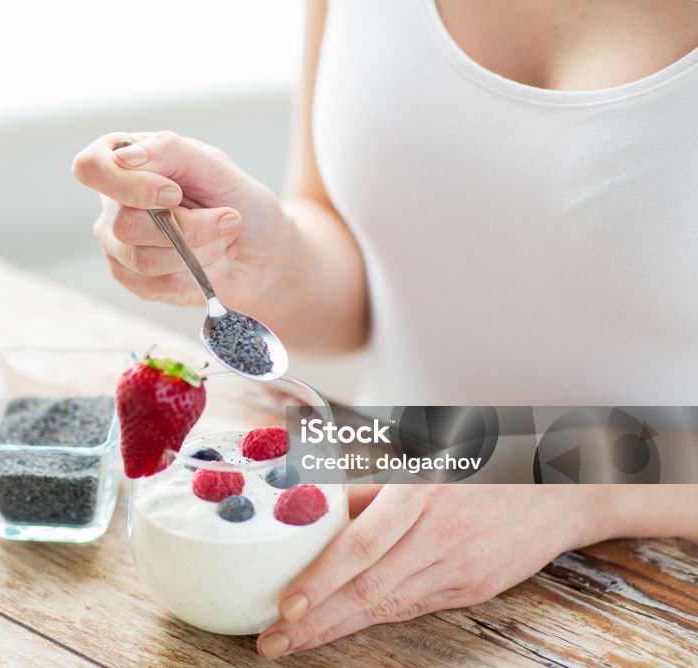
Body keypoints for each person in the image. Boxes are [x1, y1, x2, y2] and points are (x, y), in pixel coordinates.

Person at [72, 0, 698, 659]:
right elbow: (364, 288)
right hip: (375, 494)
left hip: (642, 594)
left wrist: (567, 483)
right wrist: (266, 259)